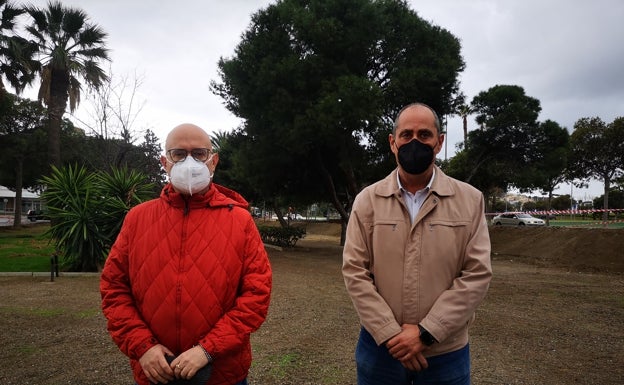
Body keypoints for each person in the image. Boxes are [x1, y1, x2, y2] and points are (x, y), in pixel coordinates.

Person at [100, 123, 272, 385]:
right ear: (164, 162)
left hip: (222, 373)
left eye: (199, 153)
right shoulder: (137, 219)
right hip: (156, 372)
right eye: (179, 154)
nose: (189, 161)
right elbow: (114, 289)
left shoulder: (240, 220)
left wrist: (208, 350)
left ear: (213, 162)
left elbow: (256, 295)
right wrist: (142, 346)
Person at [342, 103, 492, 385]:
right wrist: (390, 333)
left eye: (424, 135)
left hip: (445, 351)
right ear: (392, 142)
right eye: (406, 134)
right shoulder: (367, 201)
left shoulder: (470, 200)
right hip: (380, 350)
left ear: (439, 141)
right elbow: (354, 271)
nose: (415, 142)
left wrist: (426, 333)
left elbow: (477, 274)